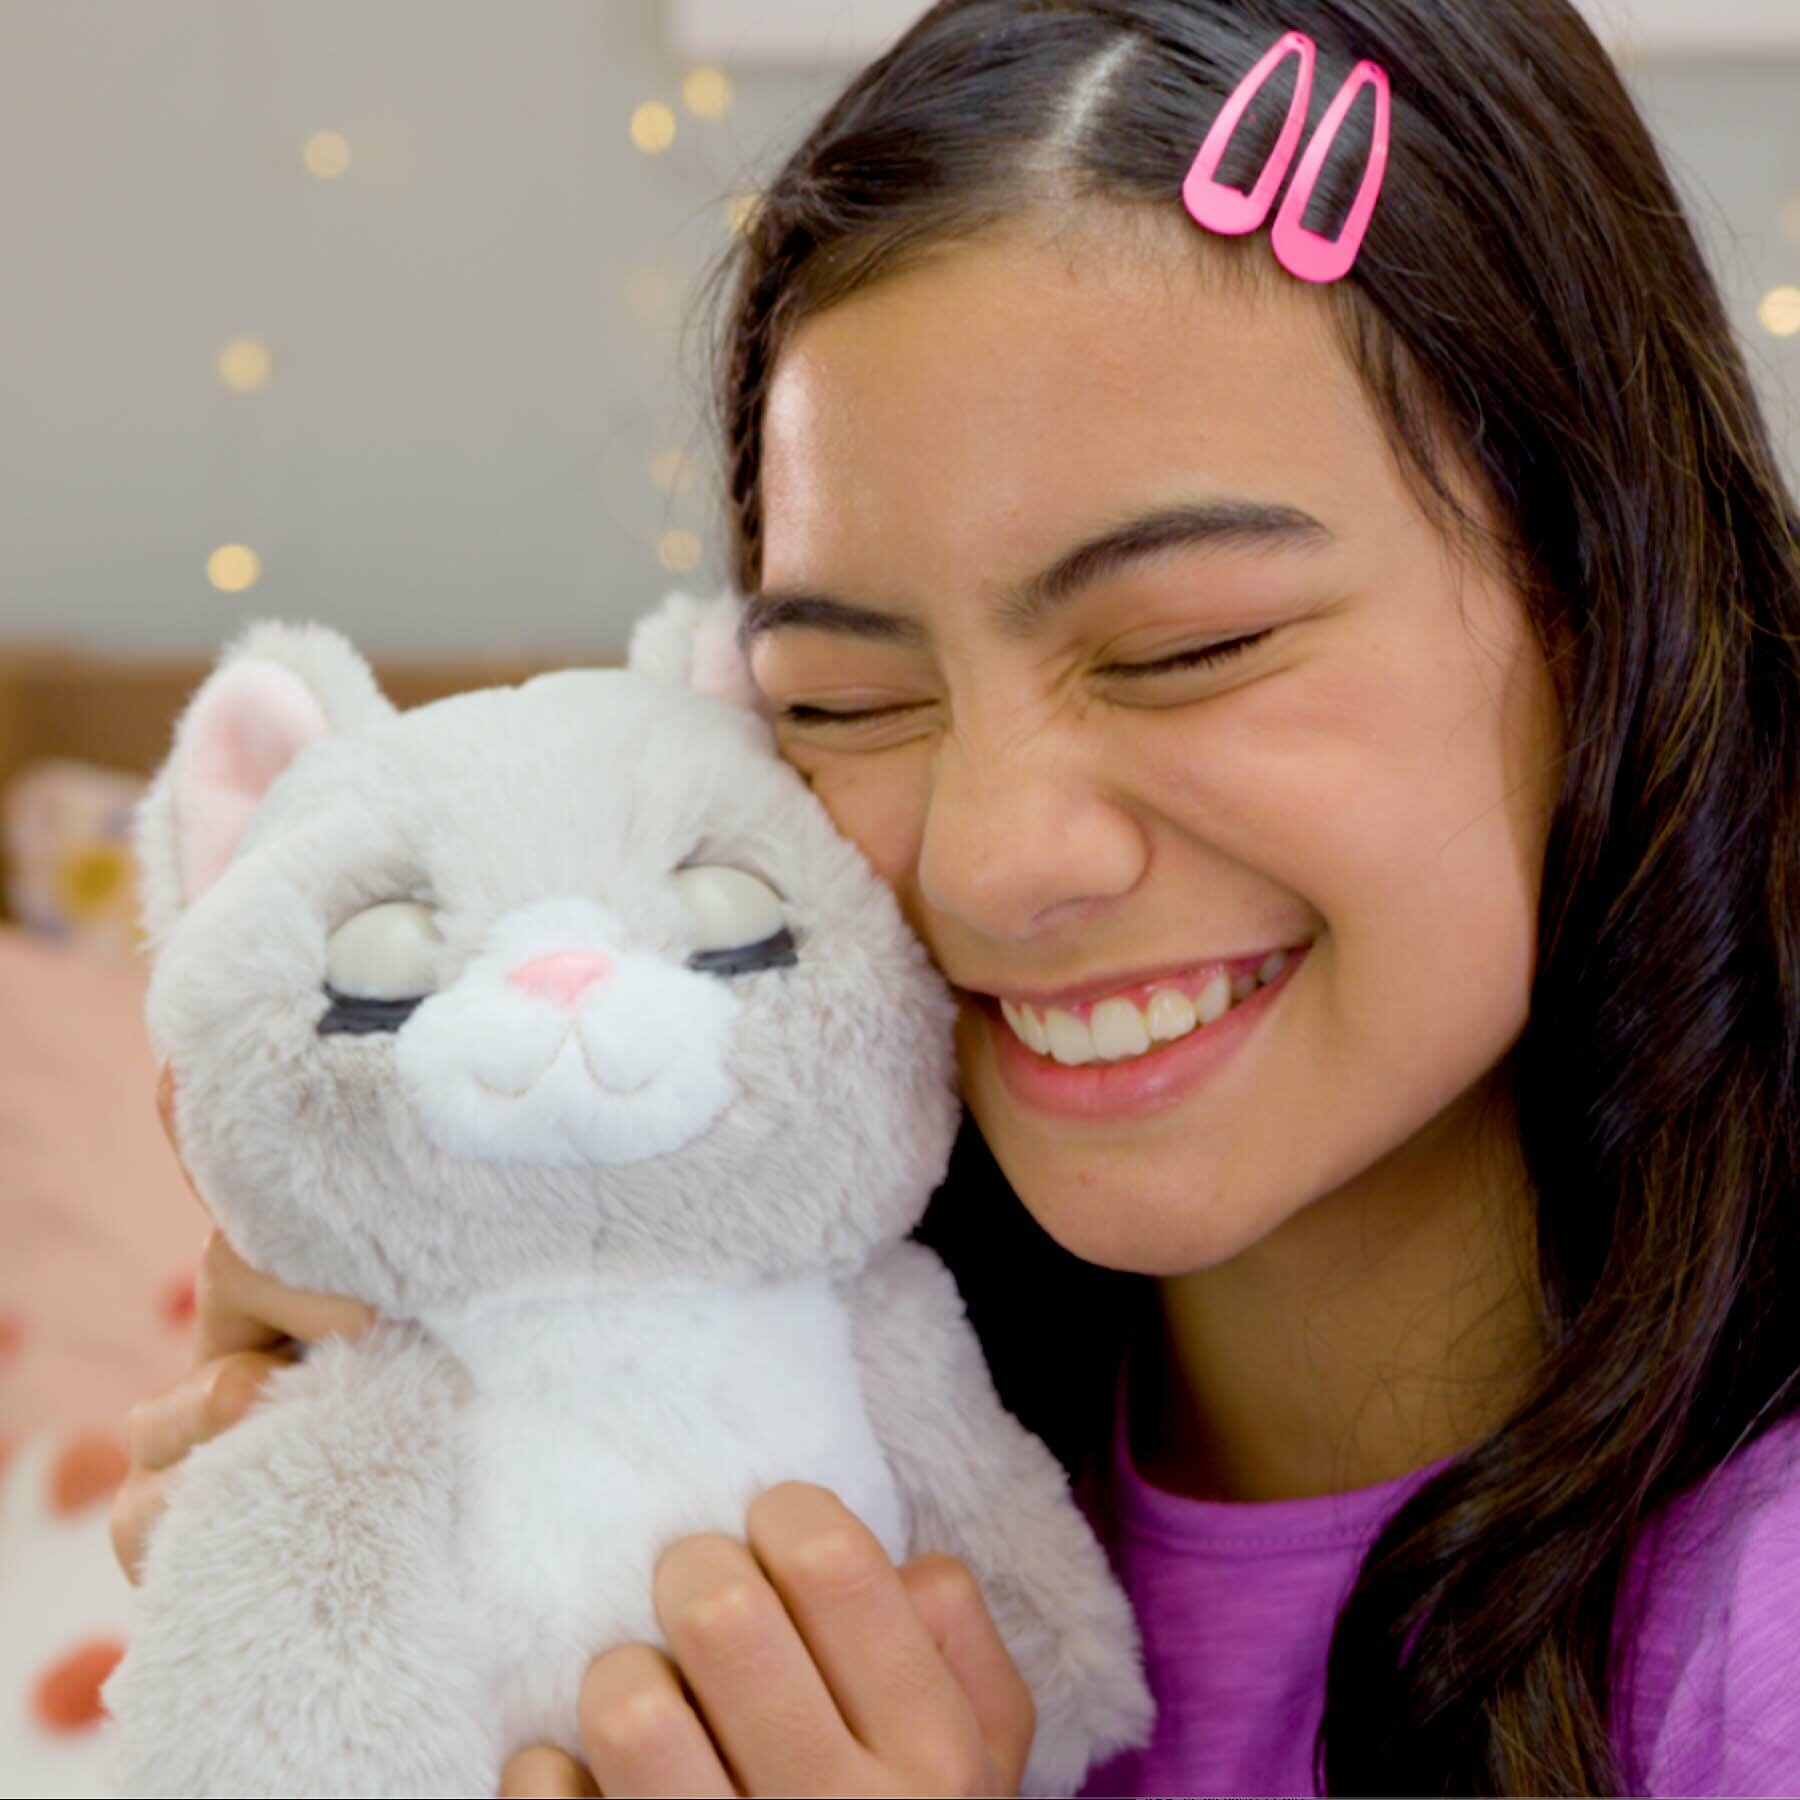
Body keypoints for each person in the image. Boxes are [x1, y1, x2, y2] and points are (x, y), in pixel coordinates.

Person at [110, 1, 1800, 1793]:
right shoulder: (850, 1430)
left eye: (1187, 646)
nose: (995, 862)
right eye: (846, 701)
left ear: (1607, 611)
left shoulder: (1750, 1634)